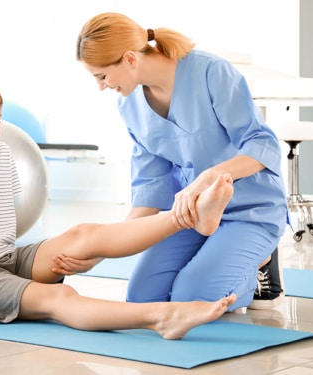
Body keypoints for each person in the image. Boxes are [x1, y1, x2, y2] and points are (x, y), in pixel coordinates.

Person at [0, 72, 237, 340]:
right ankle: (161, 317)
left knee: (84, 233)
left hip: (6, 258)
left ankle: (188, 217)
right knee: (59, 297)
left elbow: (4, 222)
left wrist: (50, 256)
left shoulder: (2, 153)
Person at [69, 12, 289, 311]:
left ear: (130, 59)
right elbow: (152, 188)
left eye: (102, 76)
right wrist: (104, 249)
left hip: (250, 209)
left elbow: (261, 143)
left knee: (191, 300)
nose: (101, 87)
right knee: (142, 300)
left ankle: (259, 263)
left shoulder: (211, 72)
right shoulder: (129, 105)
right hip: (190, 213)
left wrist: (210, 177)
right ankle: (222, 254)